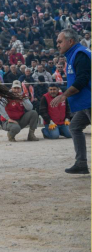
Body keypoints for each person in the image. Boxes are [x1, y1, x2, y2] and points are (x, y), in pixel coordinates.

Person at [50, 29, 91, 174]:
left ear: (70, 41)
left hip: (90, 101)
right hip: (86, 102)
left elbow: (82, 80)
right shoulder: (76, 54)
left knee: (74, 127)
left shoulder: (80, 54)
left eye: (60, 42)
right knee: (74, 126)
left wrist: (63, 96)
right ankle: (81, 163)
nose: (58, 45)